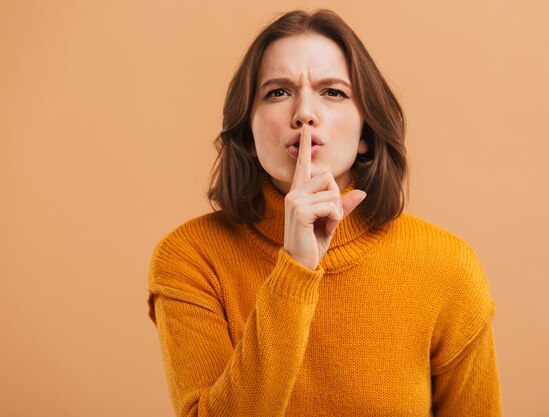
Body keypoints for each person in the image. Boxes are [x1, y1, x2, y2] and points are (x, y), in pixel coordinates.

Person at [147, 9, 502, 417]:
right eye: (277, 92)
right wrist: (295, 269)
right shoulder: (190, 257)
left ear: (366, 134)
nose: (304, 113)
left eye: (332, 92)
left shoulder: (447, 266)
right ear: (247, 134)